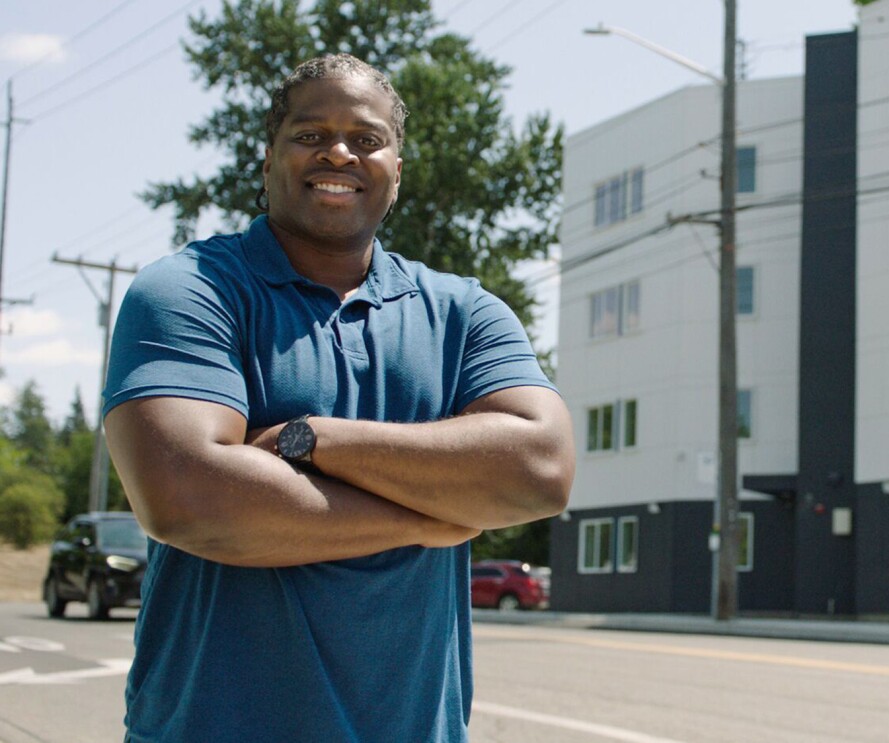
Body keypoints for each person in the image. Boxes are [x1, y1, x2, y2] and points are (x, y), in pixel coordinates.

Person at [103, 53, 574, 742]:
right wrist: (434, 516)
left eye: (366, 137)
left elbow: (542, 471)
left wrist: (311, 438)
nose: (340, 152)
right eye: (311, 134)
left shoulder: (464, 314)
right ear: (268, 161)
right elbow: (185, 496)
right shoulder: (191, 290)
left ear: (397, 170)